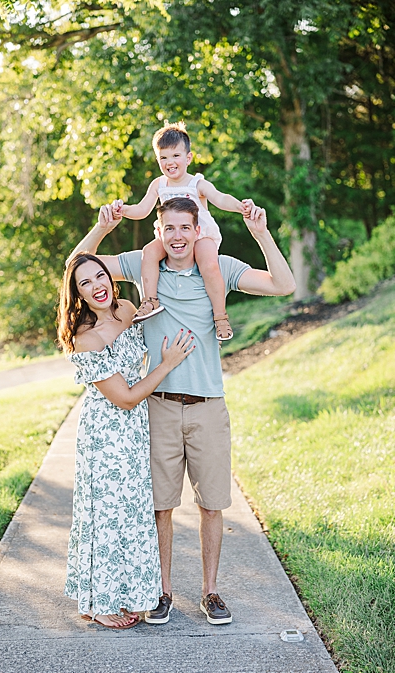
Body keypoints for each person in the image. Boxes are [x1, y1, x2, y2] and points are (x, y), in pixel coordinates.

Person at [70, 196, 295, 625]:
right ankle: (161, 591)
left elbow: (283, 285)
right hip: (157, 408)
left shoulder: (220, 269)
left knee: (212, 505)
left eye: (184, 228)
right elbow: (79, 267)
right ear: (159, 232)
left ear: (198, 231)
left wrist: (261, 233)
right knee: (160, 507)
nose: (176, 236)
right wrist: (101, 227)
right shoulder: (141, 268)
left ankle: (210, 592)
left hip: (209, 406)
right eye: (167, 228)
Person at [58, 252, 195, 629]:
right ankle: (98, 603)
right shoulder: (86, 338)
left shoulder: (128, 309)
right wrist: (167, 364)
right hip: (106, 435)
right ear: (78, 295)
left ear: (110, 278)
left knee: (129, 514)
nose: (96, 286)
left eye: (99, 276)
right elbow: (126, 396)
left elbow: (153, 255)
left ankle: (118, 594)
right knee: (104, 514)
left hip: (134, 432)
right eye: (84, 283)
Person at [113, 122, 253, 342]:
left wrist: (239, 206)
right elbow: (141, 209)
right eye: (163, 158)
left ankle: (220, 315)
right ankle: (150, 300)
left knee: (208, 263)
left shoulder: (197, 183)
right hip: (169, 237)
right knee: (149, 252)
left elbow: (220, 198)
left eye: (175, 156)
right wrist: (123, 210)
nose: (170, 163)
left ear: (188, 158)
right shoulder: (159, 185)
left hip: (200, 235)